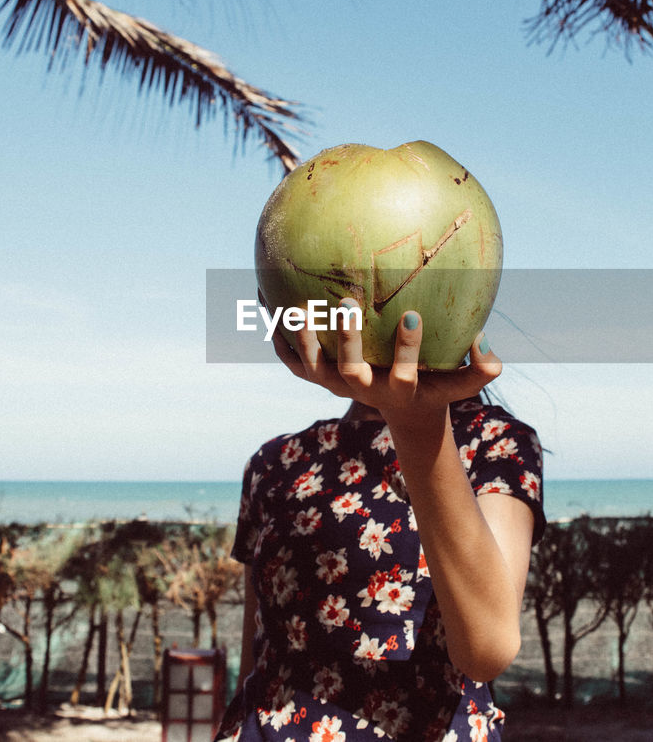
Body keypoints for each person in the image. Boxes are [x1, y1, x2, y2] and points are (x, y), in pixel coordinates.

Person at [215, 300, 545, 742]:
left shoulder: (495, 442)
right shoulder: (275, 461)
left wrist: (417, 420)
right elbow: (258, 657)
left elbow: (486, 650)